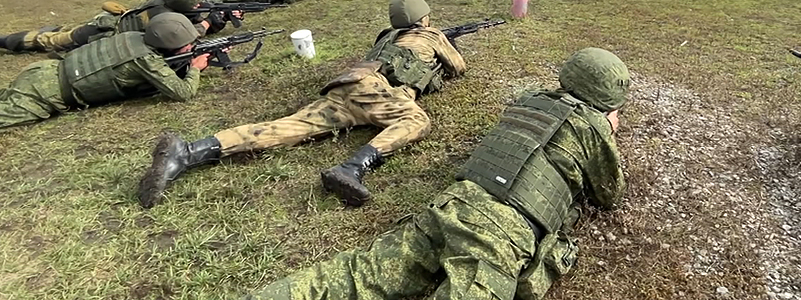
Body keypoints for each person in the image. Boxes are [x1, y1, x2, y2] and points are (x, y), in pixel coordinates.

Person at [241, 47, 629, 300]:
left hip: (451, 206)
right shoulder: (592, 128)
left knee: (353, 275)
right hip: (498, 234)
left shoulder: (529, 100)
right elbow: (608, 194)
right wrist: (606, 131)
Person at [138, 0, 466, 208]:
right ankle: (352, 168)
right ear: (424, 18)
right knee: (416, 120)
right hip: (379, 93)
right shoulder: (430, 34)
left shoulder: (384, 38)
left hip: (348, 85)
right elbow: (458, 67)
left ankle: (189, 152)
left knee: (286, 127)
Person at [0, 13, 210, 130]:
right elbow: (182, 92)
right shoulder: (144, 60)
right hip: (44, 94)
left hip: (42, 71)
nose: (191, 46)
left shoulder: (133, 36)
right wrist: (195, 68)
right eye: (187, 44)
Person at [1, 0, 226, 54]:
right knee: (51, 42)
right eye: (194, 5)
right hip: (102, 32)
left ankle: (53, 30)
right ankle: (6, 41)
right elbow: (181, 36)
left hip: (111, 21)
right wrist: (206, 23)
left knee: (63, 32)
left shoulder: (162, 1)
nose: (199, 6)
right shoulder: (166, 18)